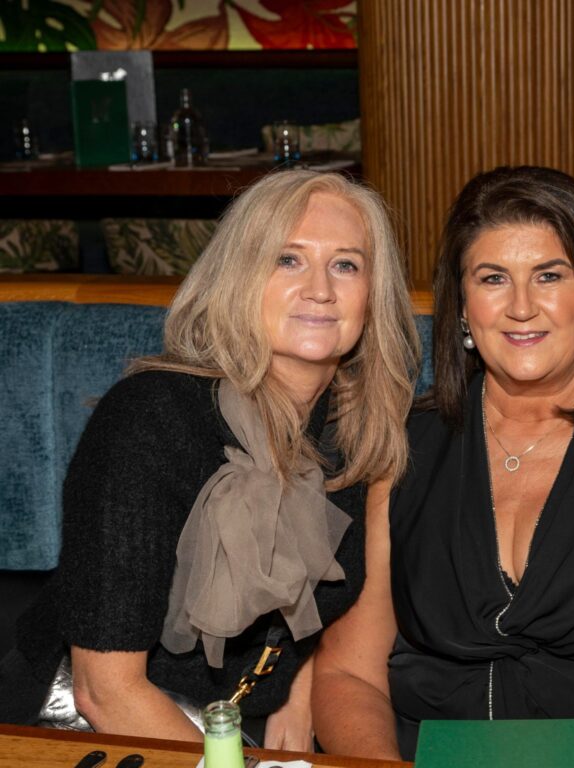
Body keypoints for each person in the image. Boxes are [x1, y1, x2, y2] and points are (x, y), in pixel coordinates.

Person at [313, 165, 574, 766]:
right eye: (493, 278)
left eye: (549, 275)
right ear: (463, 308)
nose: (520, 307)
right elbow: (346, 675)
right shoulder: (401, 444)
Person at [0, 170, 419, 750]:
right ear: (239, 276)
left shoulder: (359, 434)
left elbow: (330, 609)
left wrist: (300, 693)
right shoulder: (151, 418)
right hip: (83, 726)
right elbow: (105, 689)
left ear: (374, 294)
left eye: (346, 264)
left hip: (232, 725)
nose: (321, 288)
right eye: (287, 259)